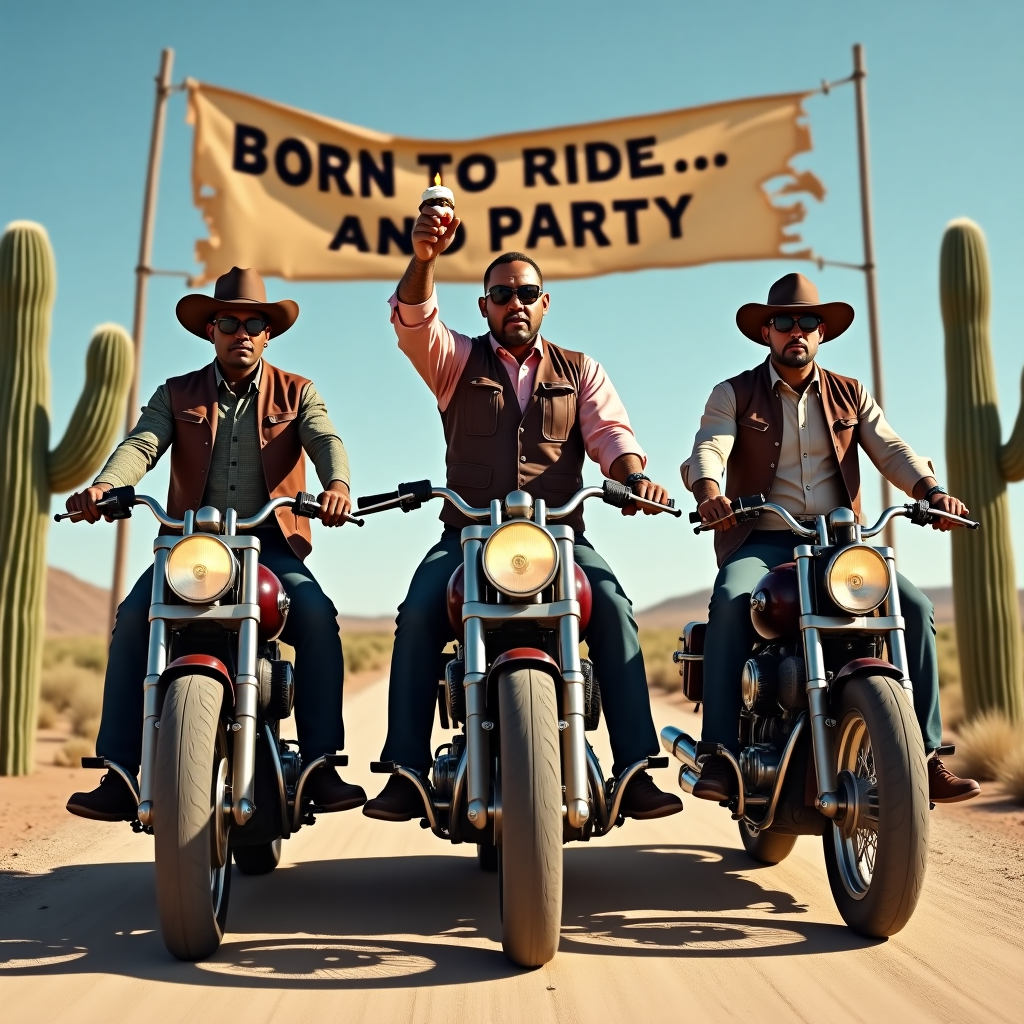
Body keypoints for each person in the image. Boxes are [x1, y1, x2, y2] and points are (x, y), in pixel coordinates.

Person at [362, 202, 682, 822]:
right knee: (420, 609)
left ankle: (637, 768)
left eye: (527, 293)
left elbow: (610, 433)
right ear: (484, 305)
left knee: (614, 608)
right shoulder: (455, 363)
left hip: (559, 537)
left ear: (545, 302)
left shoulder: (580, 369)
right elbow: (413, 322)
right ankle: (405, 769)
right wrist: (425, 259)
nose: (516, 302)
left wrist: (634, 477)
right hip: (469, 537)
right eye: (502, 294)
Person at [65, 267, 366, 820]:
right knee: (135, 618)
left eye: (254, 322)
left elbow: (324, 436)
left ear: (268, 333)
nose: (242, 331)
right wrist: (108, 485)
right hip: (190, 546)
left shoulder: (297, 391)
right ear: (212, 330)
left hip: (269, 544)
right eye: (229, 321)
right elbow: (143, 442)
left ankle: (322, 766)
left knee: (319, 618)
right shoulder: (176, 392)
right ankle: (119, 771)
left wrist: (337, 486)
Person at [681, 272, 980, 804]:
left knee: (912, 605)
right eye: (784, 322)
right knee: (730, 601)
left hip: (838, 546)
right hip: (763, 540)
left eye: (808, 322)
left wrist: (932, 492)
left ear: (822, 333)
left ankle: (925, 756)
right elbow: (710, 446)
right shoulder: (733, 393)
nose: (796, 331)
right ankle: (719, 754)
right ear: (766, 333)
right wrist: (710, 491)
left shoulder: (850, 394)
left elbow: (891, 449)